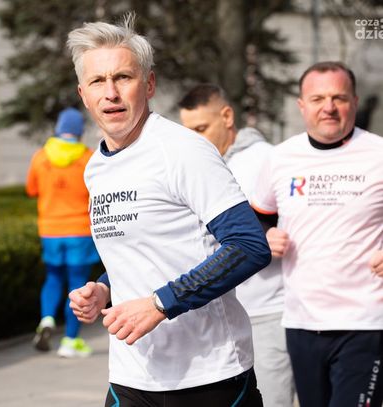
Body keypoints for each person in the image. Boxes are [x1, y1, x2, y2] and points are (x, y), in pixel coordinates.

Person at [67, 14, 271, 406]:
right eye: (97, 81)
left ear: (149, 84)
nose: (111, 93)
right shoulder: (96, 166)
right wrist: (105, 288)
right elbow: (145, 248)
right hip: (132, 376)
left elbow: (249, 245)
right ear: (83, 94)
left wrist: (161, 303)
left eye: (123, 77)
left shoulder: (183, 151)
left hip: (209, 375)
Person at [251, 61, 383, 407]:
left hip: (367, 322)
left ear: (354, 102)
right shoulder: (281, 157)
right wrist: (266, 236)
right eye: (318, 98)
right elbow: (258, 217)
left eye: (339, 98)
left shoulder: (378, 153)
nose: (329, 107)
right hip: (301, 321)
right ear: (302, 105)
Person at [178, 83, 295, 407]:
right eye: (189, 131)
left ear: (227, 117)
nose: (195, 139)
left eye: (201, 129)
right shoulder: (192, 165)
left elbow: (301, 219)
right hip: (214, 319)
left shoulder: (265, 159)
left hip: (266, 311)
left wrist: (269, 234)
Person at [26, 107, 100, 358]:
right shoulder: (89, 158)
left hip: (50, 230)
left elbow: (31, 190)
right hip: (80, 231)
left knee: (53, 278)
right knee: (77, 285)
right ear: (80, 131)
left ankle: (46, 319)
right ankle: (70, 340)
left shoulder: (40, 157)